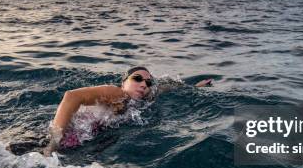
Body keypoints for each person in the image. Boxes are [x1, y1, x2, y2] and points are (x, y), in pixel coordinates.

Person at [42, 66, 212, 156]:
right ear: (123, 82)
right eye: (137, 79)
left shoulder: (143, 100)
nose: (144, 84)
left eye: (148, 82)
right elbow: (71, 96)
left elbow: (167, 87)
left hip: (86, 142)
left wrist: (195, 87)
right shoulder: (116, 93)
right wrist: (53, 143)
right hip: (62, 140)